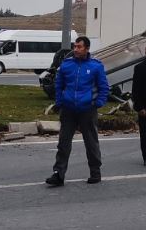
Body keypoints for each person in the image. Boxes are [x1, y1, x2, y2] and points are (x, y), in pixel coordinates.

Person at [46, 36, 109, 187]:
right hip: (68, 110)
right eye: (75, 46)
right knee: (63, 143)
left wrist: (97, 103)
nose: (76, 49)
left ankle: (95, 172)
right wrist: (60, 102)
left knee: (91, 143)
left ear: (87, 48)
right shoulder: (66, 64)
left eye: (79, 47)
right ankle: (58, 174)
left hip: (87, 110)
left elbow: (104, 87)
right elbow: (59, 85)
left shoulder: (96, 66)